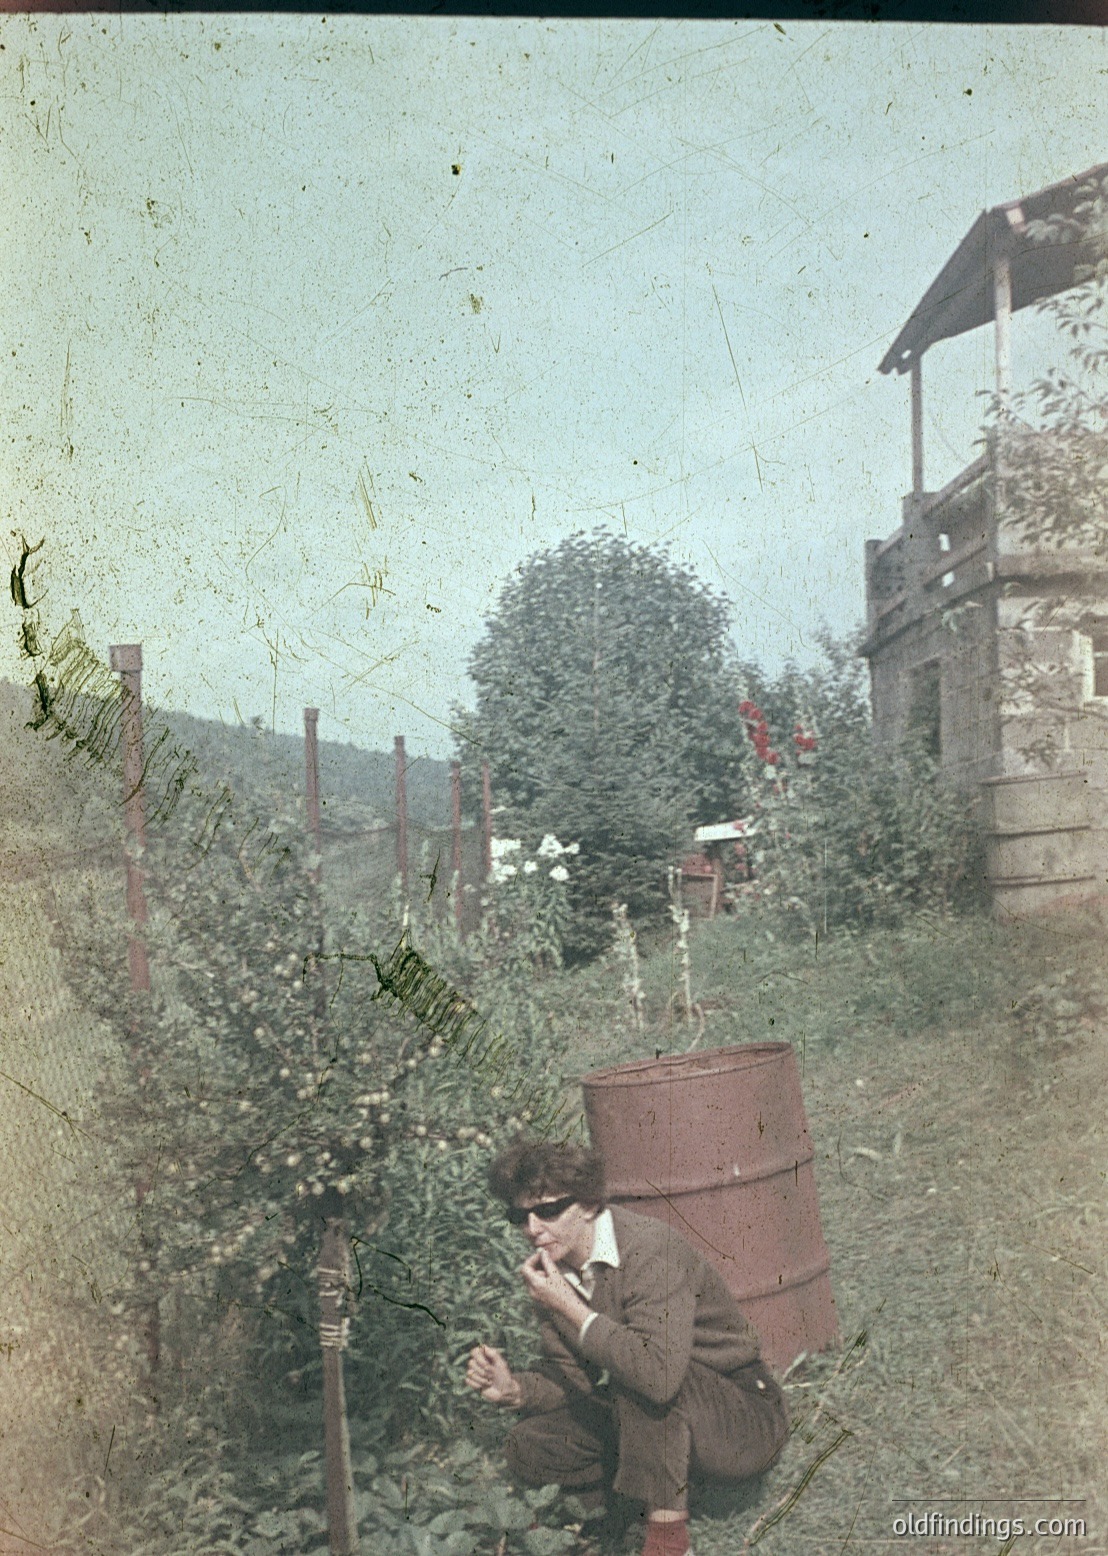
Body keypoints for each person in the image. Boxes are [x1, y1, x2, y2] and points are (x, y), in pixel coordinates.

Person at [465, 1139, 789, 1556]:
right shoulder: (552, 1273)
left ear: (587, 1203)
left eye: (546, 1210)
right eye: (519, 1216)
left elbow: (658, 1376)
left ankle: (666, 1543)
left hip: (740, 1416)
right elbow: (573, 1377)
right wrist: (515, 1390)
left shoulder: (649, 1250)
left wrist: (569, 1307)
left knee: (643, 1375)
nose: (532, 1229)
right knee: (529, 1444)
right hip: (658, 1415)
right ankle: (629, 1510)